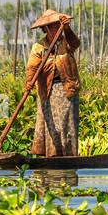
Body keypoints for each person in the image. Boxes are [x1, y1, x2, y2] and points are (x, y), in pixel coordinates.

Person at [23, 9, 81, 156]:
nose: (57, 29)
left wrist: (67, 28)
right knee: (51, 125)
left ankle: (68, 155)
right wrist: (29, 82)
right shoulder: (39, 47)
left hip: (67, 90)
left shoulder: (66, 42)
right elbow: (32, 67)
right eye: (53, 26)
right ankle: (52, 155)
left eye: (58, 25)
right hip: (48, 91)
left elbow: (75, 43)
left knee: (66, 124)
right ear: (46, 29)